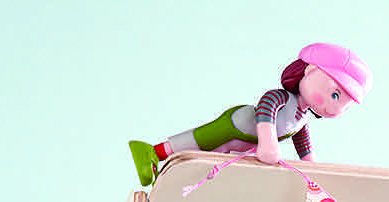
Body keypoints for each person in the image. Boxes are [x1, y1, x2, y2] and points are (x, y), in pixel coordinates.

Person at [129, 43, 371, 188]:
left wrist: (314, 169)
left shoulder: (302, 118)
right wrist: (269, 144)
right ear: (310, 71)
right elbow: (265, 111)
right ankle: (152, 151)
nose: (336, 108)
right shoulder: (280, 98)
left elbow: (304, 145)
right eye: (335, 95)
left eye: (345, 105)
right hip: (238, 124)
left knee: (210, 158)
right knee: (202, 139)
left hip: (246, 143)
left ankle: (170, 176)